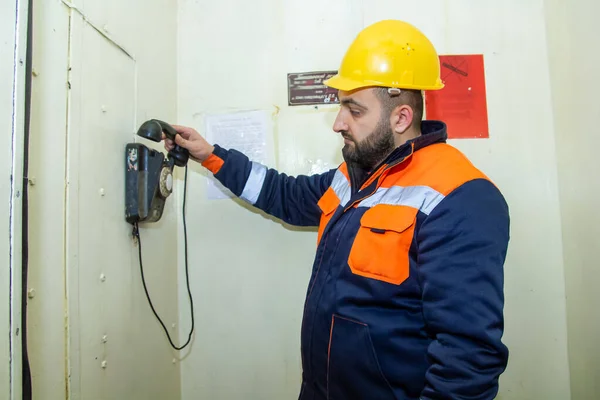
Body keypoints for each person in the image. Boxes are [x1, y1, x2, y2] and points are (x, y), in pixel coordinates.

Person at [164, 19, 510, 400]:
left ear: (401, 118)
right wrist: (212, 157)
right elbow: (284, 194)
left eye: (354, 110)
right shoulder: (356, 175)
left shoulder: (461, 196)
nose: (337, 123)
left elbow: (468, 359)